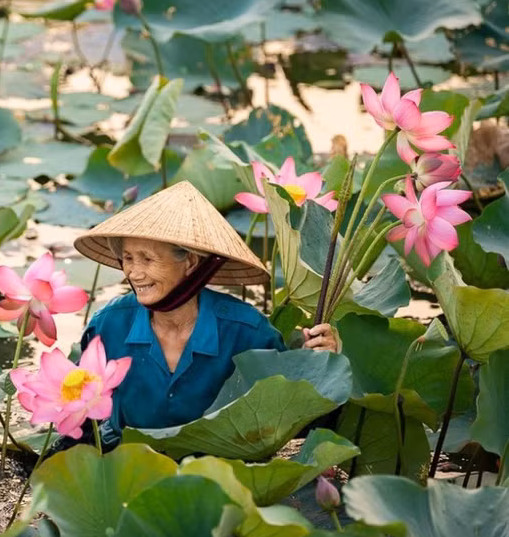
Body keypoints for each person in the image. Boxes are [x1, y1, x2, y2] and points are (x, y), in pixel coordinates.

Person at [72, 181, 338, 448]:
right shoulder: (107, 326)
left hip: (220, 470)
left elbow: (295, 424)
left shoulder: (248, 332)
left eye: (147, 259)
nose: (134, 273)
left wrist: (321, 367)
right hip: (127, 466)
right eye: (128, 258)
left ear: (189, 262)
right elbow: (79, 421)